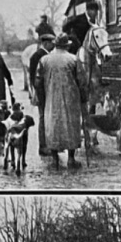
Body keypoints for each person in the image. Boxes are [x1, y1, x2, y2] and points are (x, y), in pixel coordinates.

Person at [38, 33, 85, 168]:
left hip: (51, 98)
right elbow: (82, 81)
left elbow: (38, 81)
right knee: (71, 125)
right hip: (71, 98)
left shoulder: (44, 60)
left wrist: (42, 99)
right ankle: (71, 158)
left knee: (52, 125)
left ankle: (54, 160)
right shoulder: (74, 60)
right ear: (67, 46)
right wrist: (83, 98)